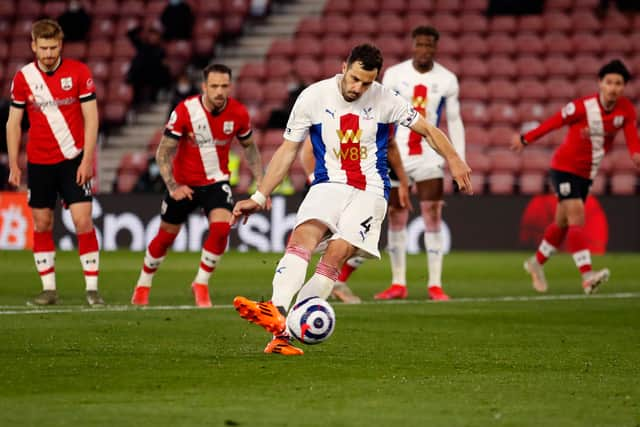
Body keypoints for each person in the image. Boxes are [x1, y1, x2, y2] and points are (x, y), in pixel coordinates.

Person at [231, 44, 473, 355]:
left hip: (370, 191)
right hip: (327, 184)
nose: (358, 88)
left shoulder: (386, 100)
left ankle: (283, 335)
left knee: (336, 253)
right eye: (355, 78)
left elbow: (428, 129)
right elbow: (288, 150)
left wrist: (454, 159)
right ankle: (275, 310)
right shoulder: (313, 97)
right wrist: (260, 194)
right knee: (302, 237)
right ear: (344, 66)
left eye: (367, 83)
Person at [130, 63, 265, 307]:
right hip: (184, 184)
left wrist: (262, 186)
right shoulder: (185, 110)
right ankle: (143, 283)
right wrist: (172, 187)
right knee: (165, 238)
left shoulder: (238, 113)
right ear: (204, 87)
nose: (219, 91)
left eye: (224, 86)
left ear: (230, 86)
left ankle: (201, 283)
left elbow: (251, 150)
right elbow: (163, 152)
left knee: (222, 228)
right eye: (214, 86)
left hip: (216, 181)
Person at [510, 59, 640, 294]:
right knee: (577, 217)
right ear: (600, 83)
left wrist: (636, 156)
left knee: (561, 224)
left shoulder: (626, 110)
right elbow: (553, 122)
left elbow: (633, 140)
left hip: (586, 174)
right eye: (609, 82)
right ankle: (587, 276)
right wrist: (526, 138)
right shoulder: (582, 107)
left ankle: (535, 263)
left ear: (624, 87)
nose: (613, 88)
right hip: (564, 168)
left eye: (618, 83)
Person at [6, 19, 103, 306]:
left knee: (82, 220)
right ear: (34, 46)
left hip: (74, 160)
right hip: (39, 162)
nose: (48, 53)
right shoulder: (23, 78)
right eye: (43, 48)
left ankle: (92, 289)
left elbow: (92, 118)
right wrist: (14, 163)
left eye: (53, 47)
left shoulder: (78, 72)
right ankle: (49, 289)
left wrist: (87, 159)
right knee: (41, 222)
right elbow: (13, 123)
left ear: (61, 45)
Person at [374, 26, 466, 301]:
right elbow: (382, 115)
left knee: (433, 214)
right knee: (397, 216)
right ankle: (398, 283)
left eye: (429, 45)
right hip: (397, 153)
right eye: (420, 44)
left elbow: (455, 121)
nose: (424, 49)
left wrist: (457, 159)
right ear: (413, 45)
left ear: (436, 48)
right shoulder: (394, 75)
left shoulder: (447, 79)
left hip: (429, 155)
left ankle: (435, 284)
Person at [298, 137, 364, 304]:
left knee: (358, 239)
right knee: (348, 238)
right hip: (328, 186)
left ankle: (332, 282)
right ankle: (295, 283)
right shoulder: (329, 114)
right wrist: (315, 178)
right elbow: (307, 150)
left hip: (356, 186)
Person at [126, 25, 171, 106]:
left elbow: (162, 65)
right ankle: (136, 103)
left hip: (153, 75)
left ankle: (153, 99)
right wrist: (141, 27)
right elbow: (130, 35)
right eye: (151, 35)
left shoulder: (160, 50)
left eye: (155, 36)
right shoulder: (142, 46)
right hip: (140, 74)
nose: (153, 38)